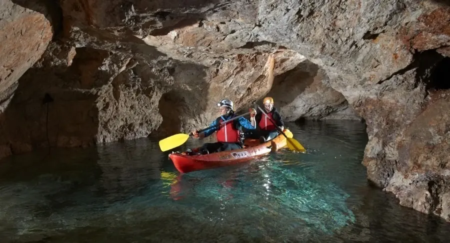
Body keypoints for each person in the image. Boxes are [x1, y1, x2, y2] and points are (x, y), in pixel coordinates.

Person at [187, 99, 257, 154]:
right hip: (222, 144)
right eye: (220, 108)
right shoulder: (218, 121)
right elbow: (207, 132)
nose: (220, 110)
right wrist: (198, 134)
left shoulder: (237, 118)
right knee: (207, 145)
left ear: (229, 109)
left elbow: (252, 127)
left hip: (236, 145)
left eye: (222, 108)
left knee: (226, 146)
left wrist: (252, 118)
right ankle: (200, 152)